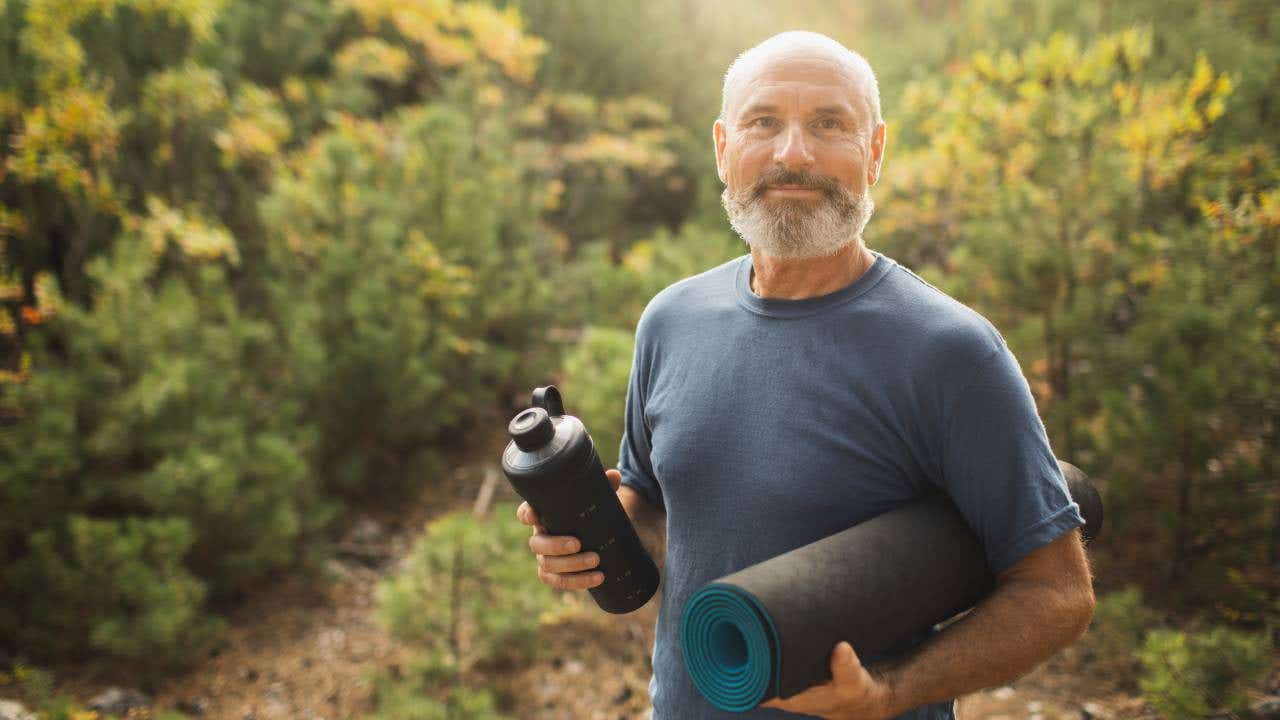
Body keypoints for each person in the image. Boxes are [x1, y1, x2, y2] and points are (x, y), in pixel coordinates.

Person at [516, 30, 1095, 720]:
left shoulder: (951, 353)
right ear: (723, 149)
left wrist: (892, 691)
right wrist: (591, 541)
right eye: (763, 122)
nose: (793, 152)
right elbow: (660, 514)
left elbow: (1057, 592)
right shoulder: (671, 320)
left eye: (829, 124)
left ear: (874, 152)